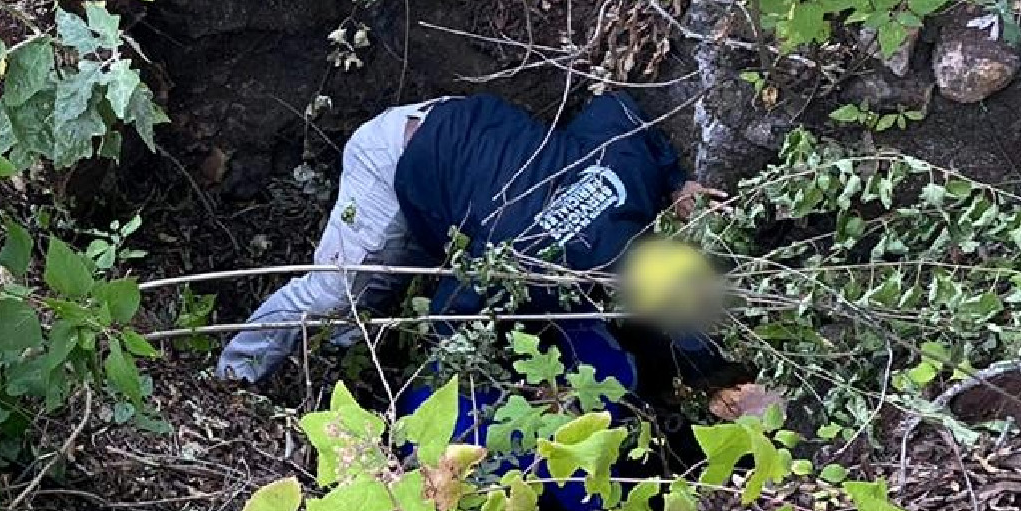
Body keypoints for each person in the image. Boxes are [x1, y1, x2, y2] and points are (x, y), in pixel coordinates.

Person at [216, 91, 775, 417]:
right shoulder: (521, 256)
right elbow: (449, 318)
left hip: (461, 146)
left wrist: (677, 183)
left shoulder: (627, 173)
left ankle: (343, 359)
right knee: (336, 289)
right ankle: (232, 379)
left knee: (378, 292)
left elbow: (616, 108)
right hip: (393, 160)